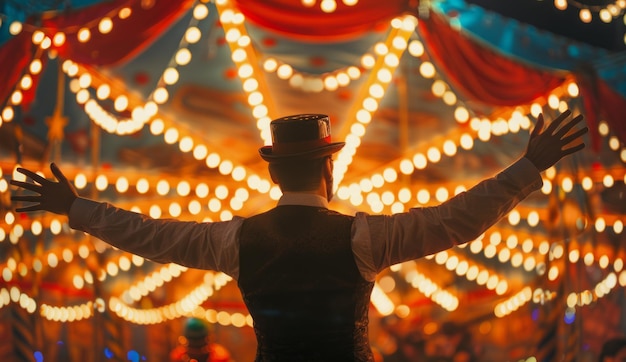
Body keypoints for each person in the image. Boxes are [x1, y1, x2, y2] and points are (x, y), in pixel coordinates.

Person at [11, 111, 587, 361]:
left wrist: (77, 208)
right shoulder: (365, 237)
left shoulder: (235, 240)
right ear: (329, 170)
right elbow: (456, 220)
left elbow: (151, 236)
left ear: (271, 172)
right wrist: (528, 167)